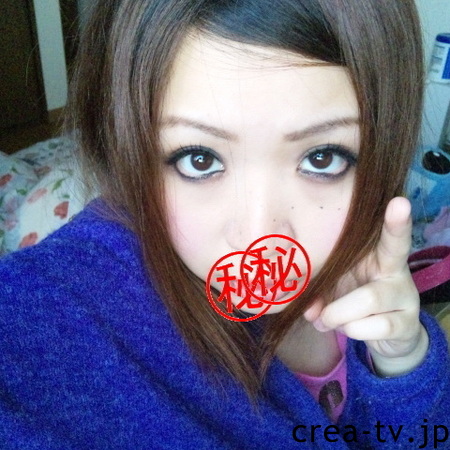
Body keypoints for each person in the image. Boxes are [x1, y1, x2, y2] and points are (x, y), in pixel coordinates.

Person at [0, 0, 449, 448]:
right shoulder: (47, 311)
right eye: (199, 159)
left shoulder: (371, 274)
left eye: (322, 157)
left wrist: (404, 364)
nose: (259, 236)